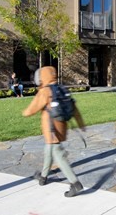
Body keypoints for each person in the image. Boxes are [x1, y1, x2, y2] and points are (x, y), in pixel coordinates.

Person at [23, 66, 86, 198]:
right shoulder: (62, 89)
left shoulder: (45, 91)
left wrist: (25, 113)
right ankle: (43, 177)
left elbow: (31, 110)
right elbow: (74, 109)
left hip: (51, 130)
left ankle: (75, 183)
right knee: (48, 151)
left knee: (59, 156)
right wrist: (81, 124)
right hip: (61, 128)